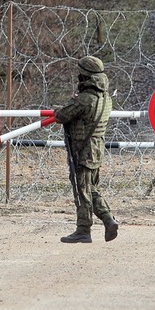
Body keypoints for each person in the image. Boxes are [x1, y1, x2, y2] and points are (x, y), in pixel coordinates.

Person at [54, 55, 118, 243]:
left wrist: (71, 101)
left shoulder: (85, 99)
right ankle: (108, 220)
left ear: (84, 76)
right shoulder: (105, 98)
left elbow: (61, 115)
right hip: (96, 148)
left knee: (82, 190)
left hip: (83, 150)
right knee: (90, 188)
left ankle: (84, 229)